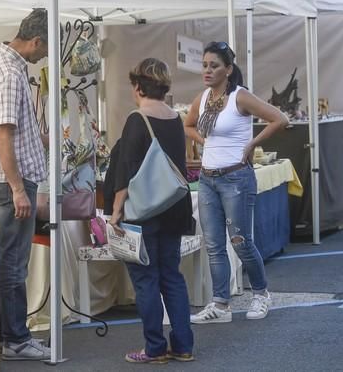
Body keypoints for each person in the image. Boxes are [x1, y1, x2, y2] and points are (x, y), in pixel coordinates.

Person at [184, 41, 287, 324]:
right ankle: (220, 304)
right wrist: (204, 141)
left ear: (228, 70)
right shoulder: (202, 98)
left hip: (236, 178)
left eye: (214, 66)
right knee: (214, 244)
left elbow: (279, 118)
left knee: (240, 242)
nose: (207, 70)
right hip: (208, 179)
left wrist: (252, 142)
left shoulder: (240, 97)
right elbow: (188, 124)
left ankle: (261, 294)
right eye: (204, 65)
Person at [109, 58, 194, 364]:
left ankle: (154, 348)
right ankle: (183, 345)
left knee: (146, 280)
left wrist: (117, 211)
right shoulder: (174, 118)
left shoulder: (137, 119)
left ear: (138, 86)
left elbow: (126, 172)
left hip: (143, 210)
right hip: (173, 206)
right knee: (172, 276)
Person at [0, 8, 50, 361]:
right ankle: (16, 339)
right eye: (45, 50)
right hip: (12, 182)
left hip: (6, 177)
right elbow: (3, 135)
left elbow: (8, 132)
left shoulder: (1, 63)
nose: (44, 57)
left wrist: (38, 142)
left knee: (6, 259)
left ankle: (4, 334)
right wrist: (19, 188)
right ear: (36, 41)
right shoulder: (10, 73)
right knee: (13, 262)